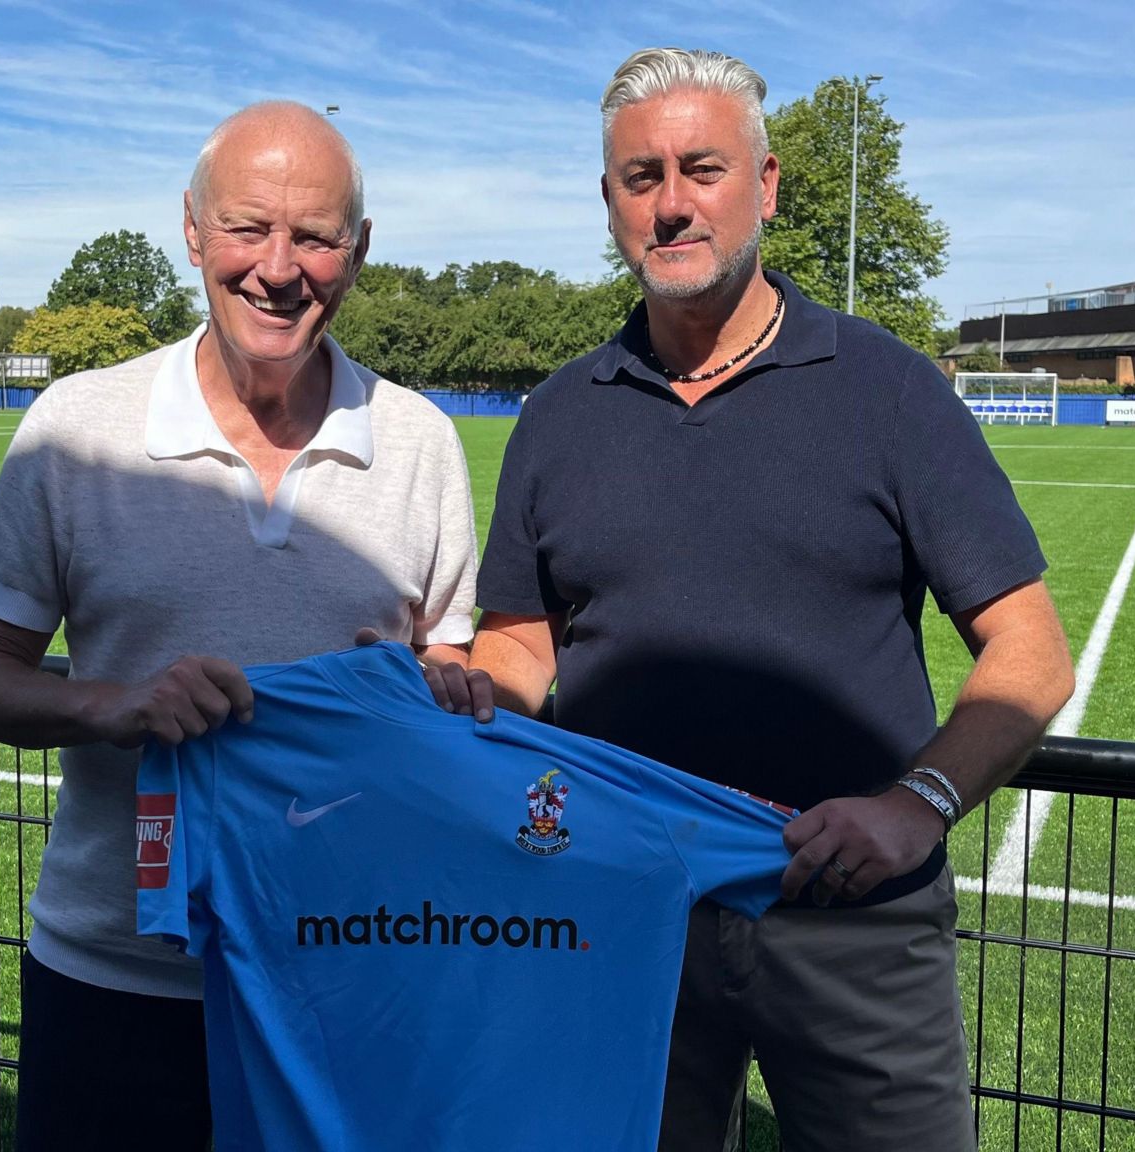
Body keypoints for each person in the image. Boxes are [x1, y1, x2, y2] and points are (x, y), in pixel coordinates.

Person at [424, 49, 1076, 1151]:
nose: (672, 203)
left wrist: (915, 803)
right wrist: (454, 690)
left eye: (701, 168)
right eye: (641, 178)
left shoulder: (887, 389)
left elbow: (1029, 650)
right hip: (621, 911)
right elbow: (523, 648)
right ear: (609, 203)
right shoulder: (558, 415)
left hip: (849, 920)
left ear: (764, 186)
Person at [0, 101, 479, 1150]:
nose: (279, 269)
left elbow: (450, 666)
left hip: (346, 976)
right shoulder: (73, 429)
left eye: (315, 237)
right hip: (111, 982)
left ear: (356, 253)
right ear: (191, 230)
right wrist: (117, 705)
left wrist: (444, 689)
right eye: (248, 228)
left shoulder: (419, 443)